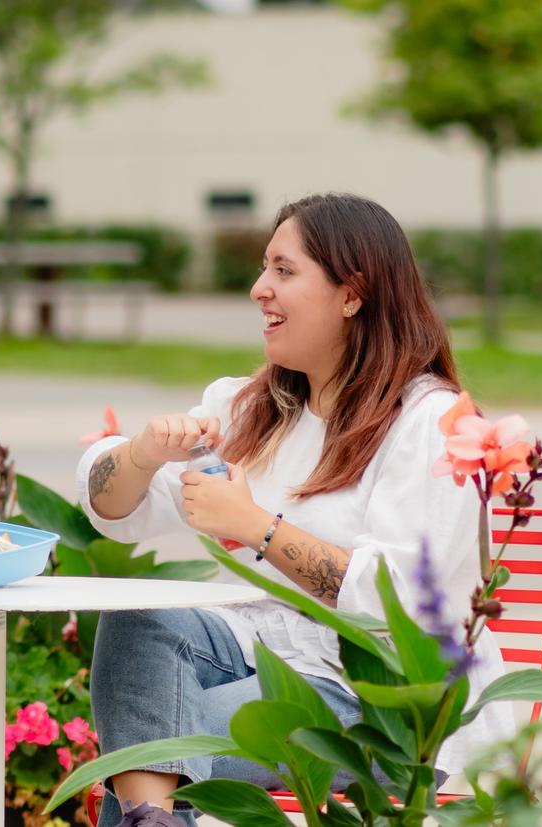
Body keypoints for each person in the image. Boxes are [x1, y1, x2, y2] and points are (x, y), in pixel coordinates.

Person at [77, 192, 515, 826]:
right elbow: (113, 509)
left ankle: (150, 814)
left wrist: (255, 527)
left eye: (284, 271)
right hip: (262, 657)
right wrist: (142, 454)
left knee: (154, 747)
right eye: (264, 268)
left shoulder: (430, 422)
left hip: (384, 699)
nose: (259, 289)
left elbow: (401, 597)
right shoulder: (253, 408)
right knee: (142, 616)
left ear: (352, 294)